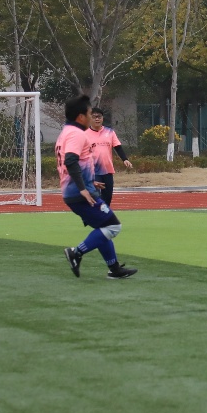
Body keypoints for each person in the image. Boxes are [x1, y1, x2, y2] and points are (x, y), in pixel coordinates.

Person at [57, 94, 138, 279]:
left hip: (77, 191)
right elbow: (70, 161)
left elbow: (70, 164)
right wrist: (83, 188)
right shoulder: (77, 134)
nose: (92, 117)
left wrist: (89, 181)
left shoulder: (66, 132)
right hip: (80, 194)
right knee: (113, 226)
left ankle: (114, 269)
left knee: (103, 227)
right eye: (89, 113)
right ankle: (76, 252)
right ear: (81, 116)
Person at [89, 107, 133, 208]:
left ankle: (103, 214)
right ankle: (96, 215)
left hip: (107, 170)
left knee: (107, 198)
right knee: (96, 198)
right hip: (93, 171)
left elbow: (117, 147)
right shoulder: (84, 134)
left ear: (102, 118)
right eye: (94, 117)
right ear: (90, 118)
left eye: (99, 117)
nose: (97, 119)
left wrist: (125, 159)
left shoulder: (109, 132)